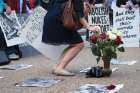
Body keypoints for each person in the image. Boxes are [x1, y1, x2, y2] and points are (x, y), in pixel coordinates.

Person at [42, 0, 100, 76]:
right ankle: (60, 67)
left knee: (74, 43)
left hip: (51, 19)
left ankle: (57, 66)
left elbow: (48, 4)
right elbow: (80, 15)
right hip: (59, 21)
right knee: (79, 44)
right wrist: (89, 27)